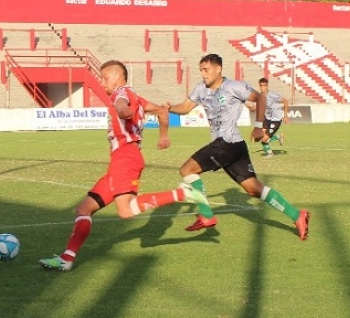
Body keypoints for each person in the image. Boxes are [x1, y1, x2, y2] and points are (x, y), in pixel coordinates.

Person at [39, 60, 209, 272]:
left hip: (126, 157)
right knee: (84, 209)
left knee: (126, 211)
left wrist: (122, 111)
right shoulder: (136, 97)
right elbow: (162, 112)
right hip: (120, 160)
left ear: (117, 76)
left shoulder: (122, 92)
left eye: (104, 77)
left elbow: (121, 105)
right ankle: (67, 259)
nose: (102, 82)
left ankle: (183, 194)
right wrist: (163, 137)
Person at [166, 54, 309, 240]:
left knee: (187, 170)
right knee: (254, 189)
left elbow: (261, 99)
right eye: (201, 70)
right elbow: (185, 107)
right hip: (234, 146)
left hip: (226, 144)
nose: (203, 74)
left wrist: (258, 127)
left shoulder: (234, 87)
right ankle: (297, 215)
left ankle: (206, 215)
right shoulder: (201, 89)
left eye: (206, 70)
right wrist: (169, 108)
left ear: (218, 69)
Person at [257, 77, 289, 157]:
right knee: (261, 137)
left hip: (276, 119)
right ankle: (278, 138)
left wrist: (285, 116)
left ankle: (270, 153)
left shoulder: (272, 95)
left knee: (264, 139)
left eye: (264, 86)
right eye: (261, 86)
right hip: (267, 118)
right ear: (259, 86)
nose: (263, 87)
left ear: (267, 86)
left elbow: (285, 101)